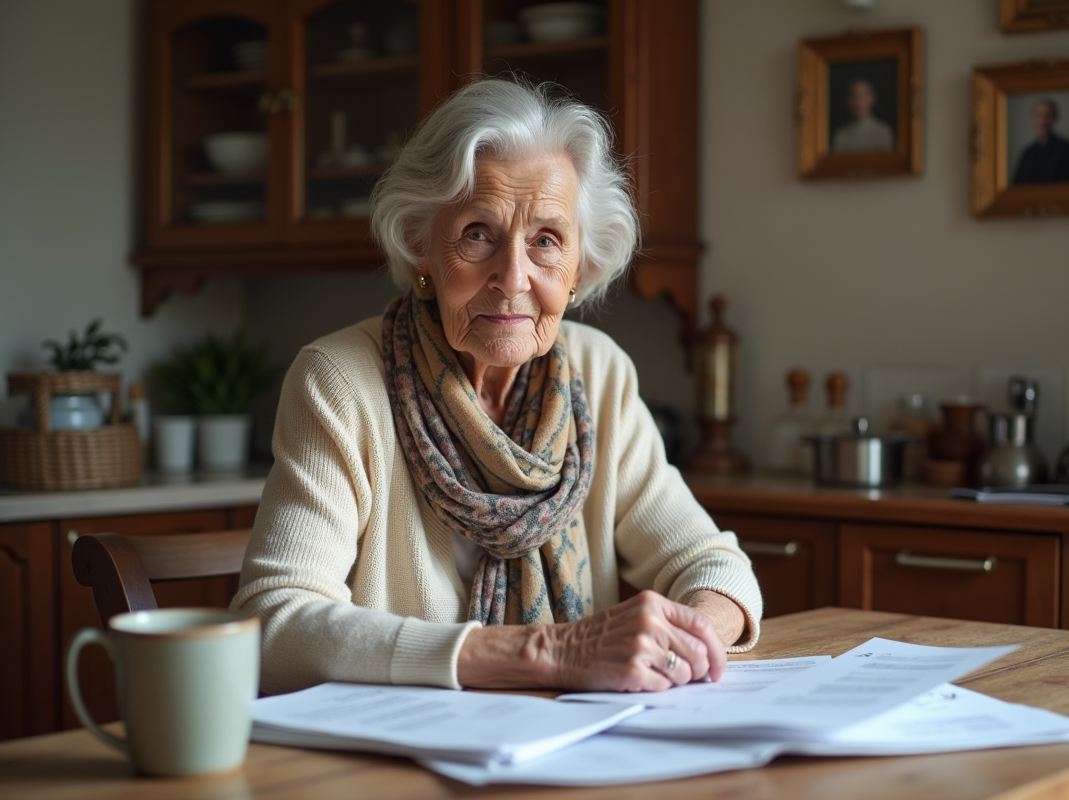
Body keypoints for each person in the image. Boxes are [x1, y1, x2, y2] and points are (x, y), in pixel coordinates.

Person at [232, 79, 762, 696]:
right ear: (420, 245)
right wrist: (547, 652)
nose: (512, 278)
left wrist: (685, 639)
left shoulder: (599, 373)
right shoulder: (340, 381)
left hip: (578, 736)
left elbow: (714, 566)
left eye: (546, 241)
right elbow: (272, 624)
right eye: (478, 233)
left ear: (580, 266)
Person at [1011, 99, 1069, 185]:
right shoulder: (1026, 154)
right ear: (1033, 119)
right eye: (1039, 116)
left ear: (1054, 118)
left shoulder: (1066, 149)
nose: (1043, 121)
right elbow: (1016, 186)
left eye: (1047, 116)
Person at [831, 79, 894, 153]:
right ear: (848, 100)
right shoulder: (840, 135)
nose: (858, 101)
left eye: (863, 96)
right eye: (854, 96)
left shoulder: (883, 132)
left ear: (872, 98)